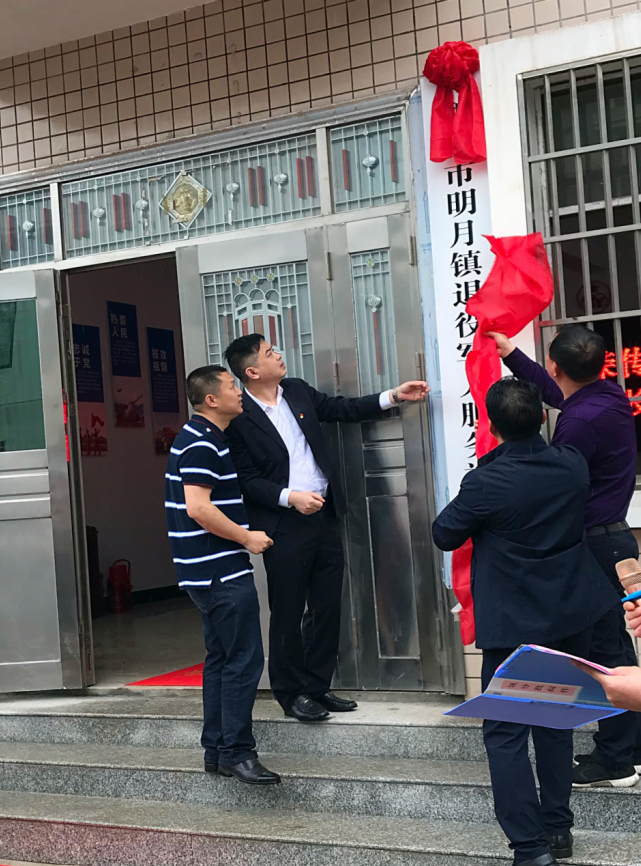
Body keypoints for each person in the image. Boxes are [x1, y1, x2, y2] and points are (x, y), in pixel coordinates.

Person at [432, 377, 618, 866]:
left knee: (506, 734)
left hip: (515, 620)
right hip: (571, 611)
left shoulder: (487, 481)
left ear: (491, 426)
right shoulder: (571, 464)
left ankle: (530, 847)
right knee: (555, 721)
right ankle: (557, 831)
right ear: (542, 418)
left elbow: (444, 533)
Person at [223, 334, 429, 722]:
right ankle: (290, 693)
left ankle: (317, 685)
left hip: (324, 514)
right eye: (269, 353)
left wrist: (393, 396)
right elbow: (246, 480)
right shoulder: (238, 416)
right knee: (288, 610)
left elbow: (341, 408)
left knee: (326, 605)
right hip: (283, 523)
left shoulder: (296, 391)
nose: (278, 355)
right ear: (252, 371)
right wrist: (289, 497)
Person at [487, 325, 640, 788]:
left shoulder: (578, 423)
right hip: (613, 539)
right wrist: (512, 354)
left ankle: (617, 758)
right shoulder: (608, 396)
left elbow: (560, 477)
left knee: (604, 649)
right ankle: (627, 747)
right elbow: (561, 394)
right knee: (611, 644)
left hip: (594, 544)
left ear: (555, 365)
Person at [165, 364, 279, 786]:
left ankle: (216, 750)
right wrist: (246, 537)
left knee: (221, 659)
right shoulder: (201, 443)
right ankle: (237, 752)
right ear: (211, 399)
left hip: (205, 572)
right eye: (233, 386)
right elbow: (198, 507)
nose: (240, 392)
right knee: (243, 662)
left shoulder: (201, 436)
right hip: (220, 572)